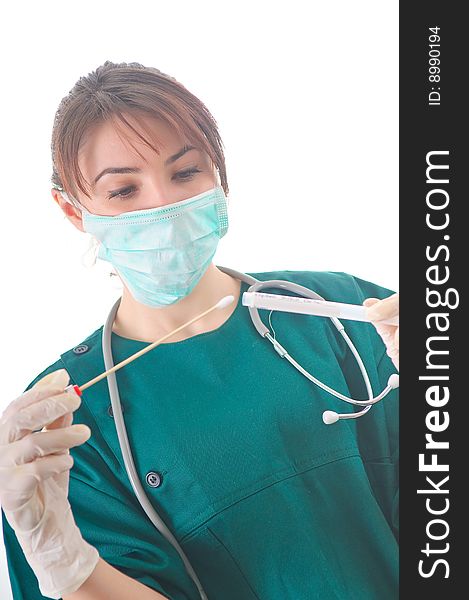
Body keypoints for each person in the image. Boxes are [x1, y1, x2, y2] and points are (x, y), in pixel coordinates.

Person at [0, 61, 399, 600]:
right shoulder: (66, 420)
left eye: (185, 173)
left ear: (219, 175)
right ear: (73, 211)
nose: (162, 205)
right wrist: (68, 567)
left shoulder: (340, 311)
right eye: (123, 191)